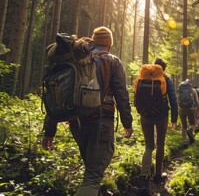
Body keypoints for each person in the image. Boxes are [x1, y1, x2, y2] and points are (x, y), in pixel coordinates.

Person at [41, 26, 133, 196]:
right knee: (92, 177)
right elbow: (122, 94)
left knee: (91, 171)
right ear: (109, 44)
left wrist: (49, 131)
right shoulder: (112, 61)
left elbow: (57, 96)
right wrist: (127, 123)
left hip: (77, 123)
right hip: (101, 122)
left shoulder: (76, 59)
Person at [137, 57, 178, 193]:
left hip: (145, 116)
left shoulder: (142, 77)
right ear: (163, 69)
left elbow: (136, 95)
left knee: (148, 146)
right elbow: (173, 99)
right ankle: (158, 175)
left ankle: (144, 176)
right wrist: (174, 119)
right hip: (161, 116)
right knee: (160, 144)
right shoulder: (165, 79)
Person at [177, 79, 199, 147]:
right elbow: (197, 101)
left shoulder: (180, 90)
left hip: (181, 109)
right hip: (190, 109)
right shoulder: (193, 90)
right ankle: (190, 130)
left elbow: (177, 99)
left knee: (183, 125)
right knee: (193, 124)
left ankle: (184, 141)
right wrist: (198, 109)